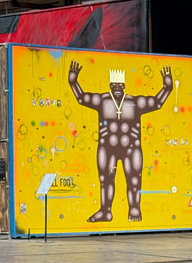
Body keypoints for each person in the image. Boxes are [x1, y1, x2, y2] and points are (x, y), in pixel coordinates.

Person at [67, 60, 173, 223]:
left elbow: (157, 102)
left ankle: (134, 208)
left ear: (124, 87)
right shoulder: (102, 101)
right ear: (110, 87)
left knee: (134, 179)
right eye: (114, 86)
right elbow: (82, 98)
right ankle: (105, 211)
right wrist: (73, 81)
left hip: (131, 147)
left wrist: (167, 87)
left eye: (119, 86)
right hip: (107, 147)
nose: (117, 89)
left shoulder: (134, 102)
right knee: (106, 180)